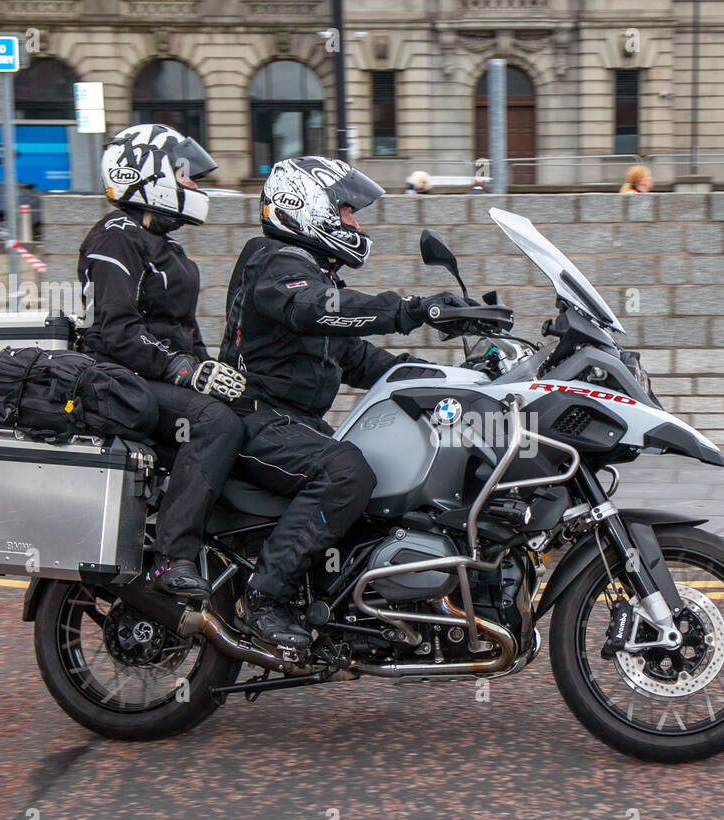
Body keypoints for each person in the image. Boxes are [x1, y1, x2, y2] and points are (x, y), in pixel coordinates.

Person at [221, 156, 465, 652]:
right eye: (348, 211)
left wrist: (441, 376)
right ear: (307, 208)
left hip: (291, 422)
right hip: (255, 417)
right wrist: (413, 310)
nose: (354, 223)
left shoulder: (311, 273)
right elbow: (315, 309)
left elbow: (353, 357)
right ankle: (264, 598)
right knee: (347, 472)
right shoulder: (274, 262)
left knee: (375, 469)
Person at [77, 123, 246, 600]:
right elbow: (118, 332)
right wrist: (185, 370)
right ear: (148, 175)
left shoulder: (161, 243)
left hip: (151, 376)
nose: (194, 185)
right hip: (120, 381)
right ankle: (173, 556)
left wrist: (211, 369)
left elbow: (181, 328)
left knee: (247, 414)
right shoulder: (116, 238)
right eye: (186, 175)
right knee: (216, 425)